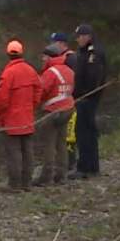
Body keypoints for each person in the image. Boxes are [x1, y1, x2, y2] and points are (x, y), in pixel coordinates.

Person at [0, 39, 41, 192]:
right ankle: (27, 183)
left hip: (12, 120)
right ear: (21, 53)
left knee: (14, 153)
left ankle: (15, 184)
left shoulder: (8, 73)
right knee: (27, 151)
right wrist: (32, 106)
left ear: (8, 54)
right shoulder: (31, 70)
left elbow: (1, 100)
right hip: (27, 117)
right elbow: (38, 90)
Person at [34, 42, 76, 186]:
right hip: (68, 110)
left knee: (49, 145)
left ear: (50, 57)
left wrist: (34, 104)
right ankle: (62, 175)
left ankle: (47, 177)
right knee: (61, 143)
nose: (42, 59)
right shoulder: (69, 70)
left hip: (53, 112)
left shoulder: (50, 73)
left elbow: (41, 92)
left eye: (44, 57)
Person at [71, 24, 107, 179]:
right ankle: (91, 166)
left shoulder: (93, 53)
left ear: (88, 36)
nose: (78, 39)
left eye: (80, 36)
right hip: (83, 97)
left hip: (87, 98)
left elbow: (94, 77)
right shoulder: (85, 52)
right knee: (88, 131)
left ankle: (85, 167)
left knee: (84, 132)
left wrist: (84, 95)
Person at [51, 31, 79, 170]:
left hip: (71, 102)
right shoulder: (63, 57)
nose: (51, 45)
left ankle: (70, 163)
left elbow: (74, 80)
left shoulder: (70, 58)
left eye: (54, 42)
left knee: (69, 135)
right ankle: (65, 162)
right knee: (65, 135)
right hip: (65, 102)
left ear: (61, 43)